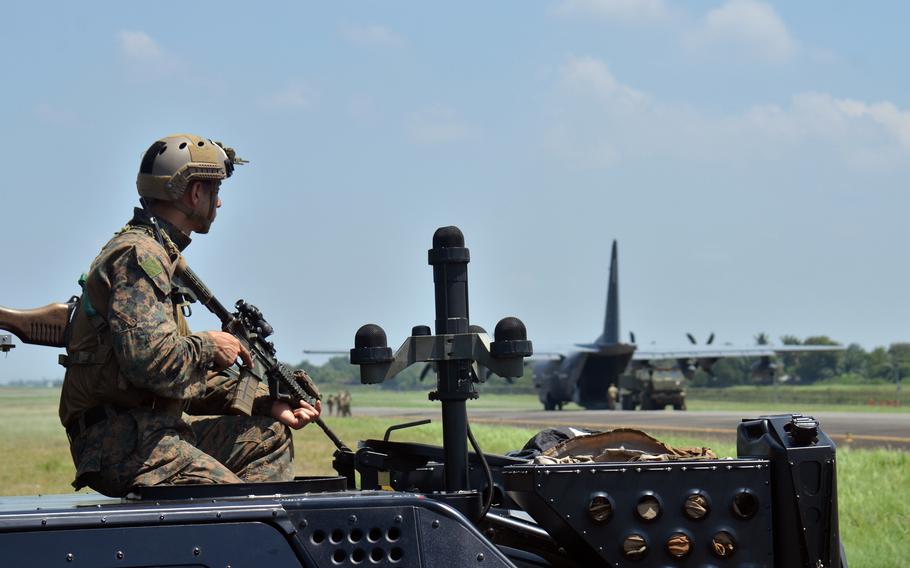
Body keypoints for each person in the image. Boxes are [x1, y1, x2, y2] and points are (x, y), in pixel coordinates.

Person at [58, 134, 321, 497]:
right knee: (245, 512)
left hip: (149, 433)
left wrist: (266, 401)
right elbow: (150, 363)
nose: (219, 200)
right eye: (215, 190)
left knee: (267, 437)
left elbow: (172, 379)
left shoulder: (156, 254)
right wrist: (209, 347)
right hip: (123, 444)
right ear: (195, 193)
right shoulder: (140, 256)